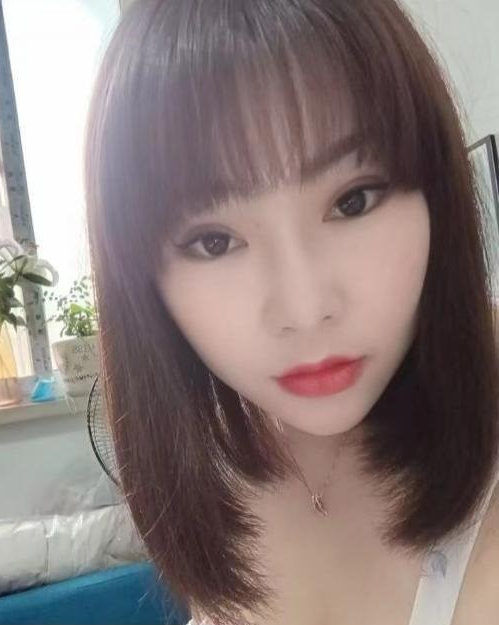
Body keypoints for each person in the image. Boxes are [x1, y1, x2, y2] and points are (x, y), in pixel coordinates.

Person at [83, 1, 499, 624]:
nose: (304, 311)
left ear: (435, 189)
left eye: (353, 201)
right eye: (214, 242)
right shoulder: (212, 462)